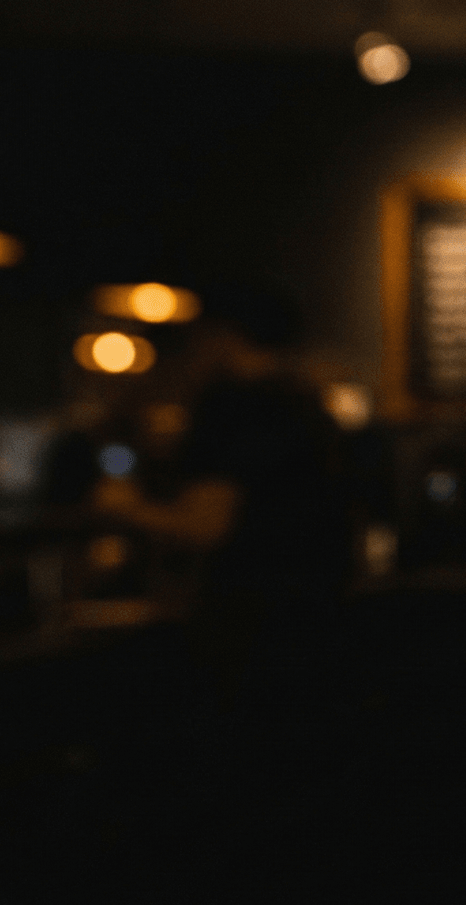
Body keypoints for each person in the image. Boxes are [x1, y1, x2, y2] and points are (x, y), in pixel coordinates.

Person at [91, 281, 351, 681]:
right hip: (320, 620)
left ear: (221, 335)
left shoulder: (232, 404)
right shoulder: (311, 407)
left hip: (245, 627)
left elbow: (205, 527)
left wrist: (122, 508)